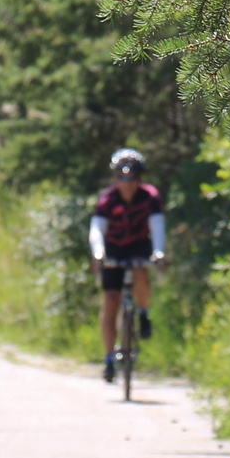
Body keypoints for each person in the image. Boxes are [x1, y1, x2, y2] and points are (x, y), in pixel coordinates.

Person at [90, 147, 165, 380]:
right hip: (113, 248)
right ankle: (109, 358)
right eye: (122, 177)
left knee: (141, 269)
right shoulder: (107, 200)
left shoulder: (150, 196)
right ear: (115, 178)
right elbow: (96, 230)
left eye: (132, 177)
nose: (127, 182)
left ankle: (143, 313)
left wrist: (159, 252)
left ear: (139, 178)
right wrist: (99, 253)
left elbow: (158, 227)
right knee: (111, 300)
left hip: (139, 246)